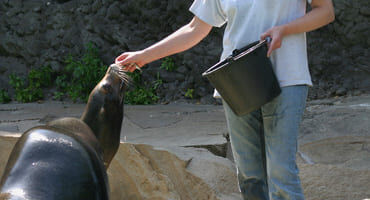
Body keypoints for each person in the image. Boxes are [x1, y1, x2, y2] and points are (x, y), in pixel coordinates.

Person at [115, 0, 334, 199]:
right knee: (250, 175)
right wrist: (144, 56)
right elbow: (195, 29)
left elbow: (325, 11)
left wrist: (284, 30)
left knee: (281, 172)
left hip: (287, 77)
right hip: (238, 82)